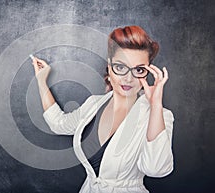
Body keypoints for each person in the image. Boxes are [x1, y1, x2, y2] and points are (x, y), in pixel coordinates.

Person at [31, 25, 175, 193]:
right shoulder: (94, 104)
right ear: (109, 66)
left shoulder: (160, 116)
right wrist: (41, 81)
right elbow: (58, 123)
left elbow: (155, 169)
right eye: (120, 67)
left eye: (138, 70)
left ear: (147, 72)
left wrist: (156, 105)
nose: (128, 78)